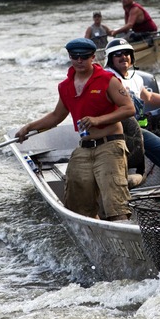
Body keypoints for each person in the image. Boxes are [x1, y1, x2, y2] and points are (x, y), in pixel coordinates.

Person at [15, 38, 135, 221]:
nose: (79, 60)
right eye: (75, 56)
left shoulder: (108, 80)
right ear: (70, 57)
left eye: (84, 56)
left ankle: (121, 228)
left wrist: (98, 120)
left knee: (115, 201)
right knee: (76, 203)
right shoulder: (65, 86)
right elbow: (56, 116)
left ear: (93, 57)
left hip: (110, 145)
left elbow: (129, 108)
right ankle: (93, 229)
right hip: (85, 147)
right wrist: (29, 127)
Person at [103, 38, 160, 193]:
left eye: (126, 53)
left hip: (136, 128)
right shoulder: (107, 78)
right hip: (118, 128)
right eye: (117, 54)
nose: (123, 57)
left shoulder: (136, 78)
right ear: (110, 59)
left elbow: (150, 97)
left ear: (131, 57)